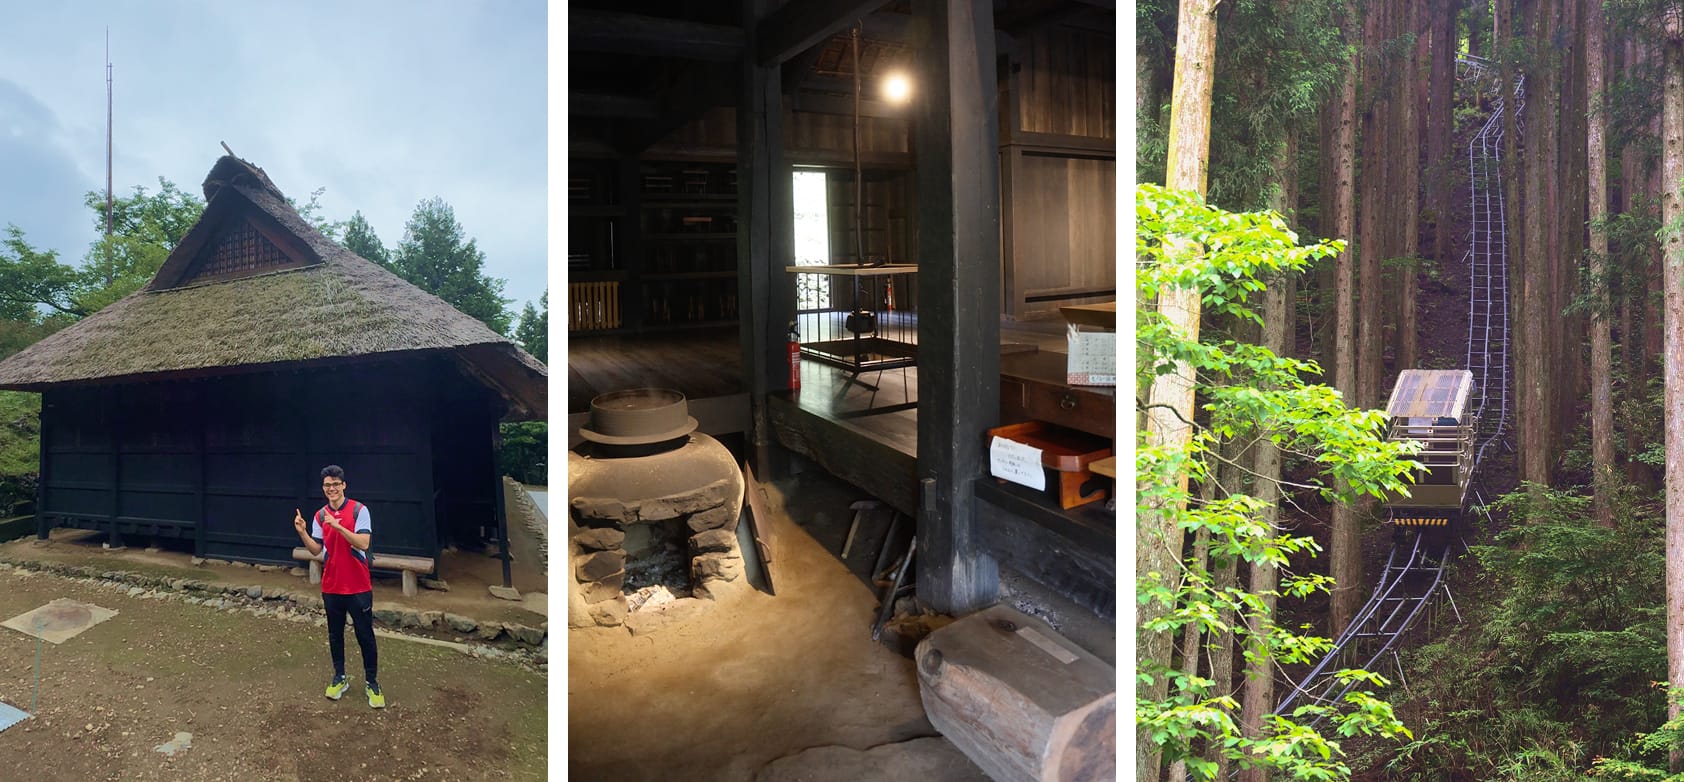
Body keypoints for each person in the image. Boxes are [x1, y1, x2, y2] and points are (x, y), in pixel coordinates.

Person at [292, 464, 384, 708]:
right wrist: (302, 533)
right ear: (323, 488)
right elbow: (316, 550)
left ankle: (372, 682)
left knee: (365, 634)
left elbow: (363, 543)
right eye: (327, 485)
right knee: (335, 634)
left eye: (335, 484)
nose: (331, 488)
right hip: (332, 585)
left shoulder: (359, 510)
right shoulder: (320, 515)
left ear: (344, 485)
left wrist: (340, 526)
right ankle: (339, 677)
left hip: (358, 585)